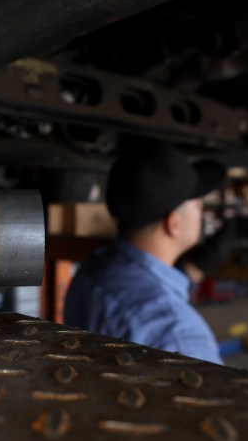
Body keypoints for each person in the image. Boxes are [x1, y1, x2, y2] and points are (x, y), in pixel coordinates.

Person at [63, 143, 226, 363]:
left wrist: (198, 265)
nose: (203, 215)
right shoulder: (180, 337)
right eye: (198, 208)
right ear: (173, 224)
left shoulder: (91, 272)